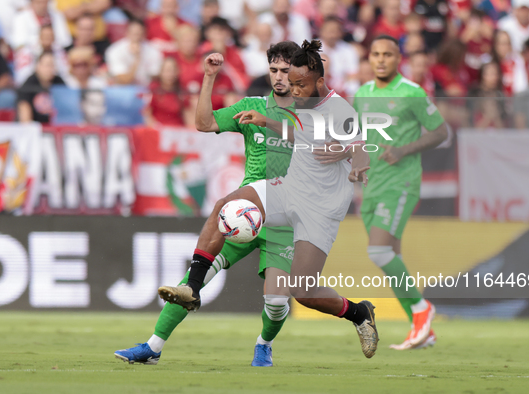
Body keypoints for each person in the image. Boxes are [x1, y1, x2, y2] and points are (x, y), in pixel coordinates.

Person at [157, 40, 378, 360]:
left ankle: (358, 313)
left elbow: (360, 148)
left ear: (319, 81)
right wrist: (267, 122)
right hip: (287, 188)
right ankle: (192, 289)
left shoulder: (339, 109)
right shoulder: (296, 103)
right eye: (291, 81)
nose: (293, 88)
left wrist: (353, 162)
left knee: (303, 292)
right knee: (225, 206)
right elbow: (298, 133)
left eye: (299, 83)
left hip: (321, 208)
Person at [115, 41, 302, 367]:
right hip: (247, 209)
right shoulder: (251, 104)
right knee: (192, 281)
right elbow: (203, 124)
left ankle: (264, 343)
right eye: (274, 70)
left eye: (286, 70)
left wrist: (268, 122)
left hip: (286, 215)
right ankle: (153, 347)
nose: (279, 77)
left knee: (275, 302)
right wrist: (208, 78)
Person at [351, 35, 447, 350]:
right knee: (391, 258)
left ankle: (421, 309)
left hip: (401, 181)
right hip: (372, 183)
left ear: (398, 59)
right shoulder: (362, 94)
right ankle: (423, 332)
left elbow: (440, 131)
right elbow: (360, 138)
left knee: (379, 252)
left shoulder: (412, 93)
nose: (380, 60)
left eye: (387, 55)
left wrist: (405, 149)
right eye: (375, 54)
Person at [105, 18, 163, 86]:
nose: (136, 38)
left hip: (146, 89)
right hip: (123, 90)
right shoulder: (114, 50)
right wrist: (137, 58)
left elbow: (156, 78)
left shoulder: (154, 51)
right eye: (134, 34)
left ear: (145, 34)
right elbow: (124, 80)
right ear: (127, 33)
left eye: (139, 34)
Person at [17, 51, 65, 124]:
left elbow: (67, 110)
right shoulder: (29, 84)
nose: (50, 69)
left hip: (55, 129)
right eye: (47, 65)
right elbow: (24, 114)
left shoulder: (59, 83)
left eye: (52, 65)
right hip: (35, 129)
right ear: (38, 66)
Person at [144, 56, 187, 126]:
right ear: (161, 72)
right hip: (158, 129)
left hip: (177, 130)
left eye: (173, 71)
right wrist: (157, 127)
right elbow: (147, 114)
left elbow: (187, 115)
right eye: (167, 70)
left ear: (177, 72)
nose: (170, 74)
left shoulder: (182, 92)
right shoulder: (153, 89)